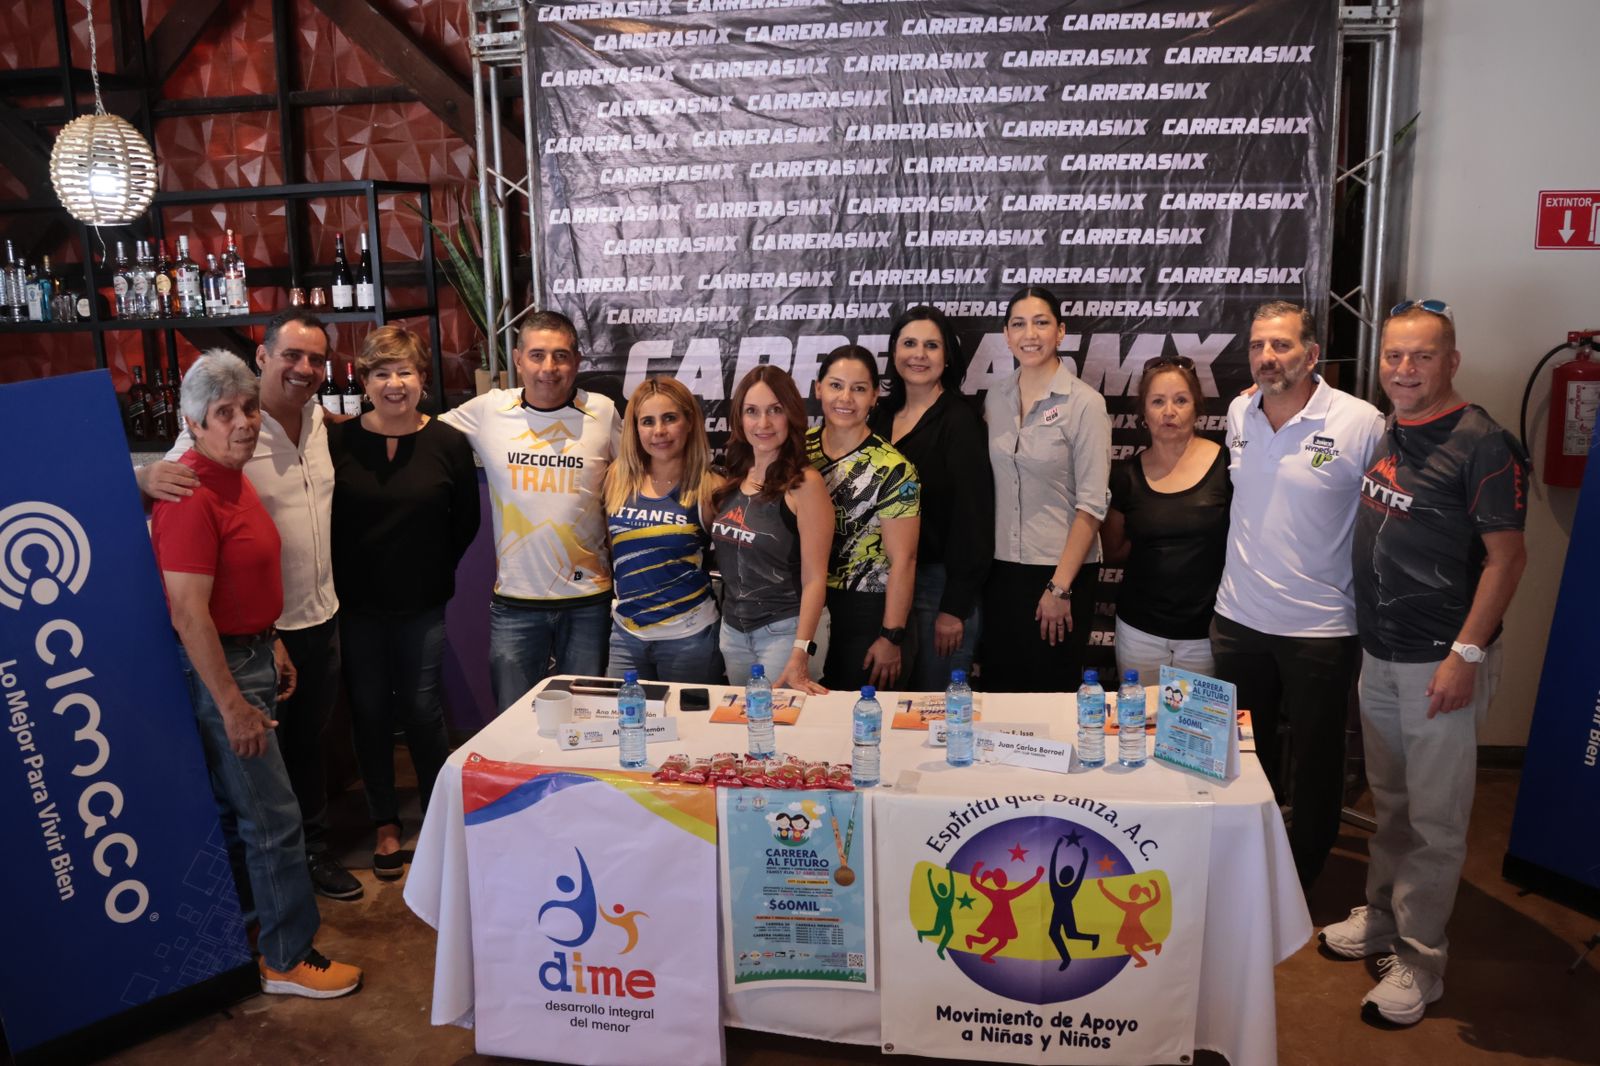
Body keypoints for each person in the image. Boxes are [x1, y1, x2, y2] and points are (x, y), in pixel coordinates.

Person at [1319, 300, 1528, 1025]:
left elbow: (1507, 560)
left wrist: (1465, 654)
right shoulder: (1392, 428)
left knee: (1436, 823)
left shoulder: (1483, 444)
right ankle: (1383, 918)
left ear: (1452, 361)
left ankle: (1420, 959)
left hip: (1440, 662)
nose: (1404, 369)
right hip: (1380, 651)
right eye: (1394, 356)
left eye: (1422, 356)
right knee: (1393, 806)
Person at [150, 350, 362, 998]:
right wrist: (233, 703)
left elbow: (239, 582)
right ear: (193, 423)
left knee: (248, 814)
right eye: (224, 413)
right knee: (273, 819)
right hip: (225, 672)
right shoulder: (190, 494)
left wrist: (271, 642)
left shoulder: (231, 476)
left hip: (253, 653)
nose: (243, 422)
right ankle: (287, 956)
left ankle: (254, 931)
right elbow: (188, 614)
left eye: (247, 408)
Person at [1210, 300, 1386, 891]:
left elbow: (1387, 519)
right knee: (1242, 754)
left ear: (1312, 355)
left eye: (1281, 345)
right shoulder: (1240, 411)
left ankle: (1302, 876)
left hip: (1322, 627)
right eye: (1258, 345)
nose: (1267, 357)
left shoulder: (1360, 423)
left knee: (1316, 761)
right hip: (1239, 620)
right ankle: (1246, 866)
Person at [327, 325, 480, 880]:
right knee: (369, 711)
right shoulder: (337, 443)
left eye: (405, 371)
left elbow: (466, 523)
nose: (395, 384)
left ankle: (439, 820)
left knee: (421, 711)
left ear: (422, 379)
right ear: (365, 381)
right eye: (382, 373)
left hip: (422, 603)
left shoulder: (449, 444)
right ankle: (385, 822)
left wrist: (430, 570)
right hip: (356, 606)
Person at [438, 311, 620, 711]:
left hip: (588, 600)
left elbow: (635, 481)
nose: (548, 368)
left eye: (560, 356)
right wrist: (341, 427)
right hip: (516, 602)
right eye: (537, 355)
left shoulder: (603, 412)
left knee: (585, 717)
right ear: (518, 359)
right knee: (513, 719)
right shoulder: (488, 410)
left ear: (577, 361)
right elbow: (419, 432)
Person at [983, 287, 1112, 691]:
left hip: (1060, 574)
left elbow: (1092, 505)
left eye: (1041, 323)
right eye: (1018, 324)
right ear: (1006, 335)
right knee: (1001, 691)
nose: (1030, 334)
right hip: (1002, 571)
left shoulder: (1085, 404)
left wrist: (1059, 587)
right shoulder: (995, 397)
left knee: (1050, 694)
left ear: (1060, 332)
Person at [870, 306, 993, 690]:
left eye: (931, 345)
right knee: (885, 705)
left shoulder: (960, 420)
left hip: (937, 588)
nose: (919, 355)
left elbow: (974, 518)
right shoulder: (878, 416)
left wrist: (954, 608)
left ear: (948, 356)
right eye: (909, 343)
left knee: (933, 710)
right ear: (894, 351)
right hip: (879, 584)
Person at [1101, 355, 1232, 682]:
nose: (1169, 411)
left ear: (1197, 408)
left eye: (1180, 400)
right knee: (1140, 714)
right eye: (1158, 401)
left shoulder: (1227, 467)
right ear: (1144, 413)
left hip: (1205, 634)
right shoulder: (1126, 476)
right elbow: (1113, 550)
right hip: (1140, 632)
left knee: (1200, 718)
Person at [708, 365, 831, 694]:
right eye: (752, 411)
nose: (763, 424)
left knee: (782, 724)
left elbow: (815, 578)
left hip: (785, 634)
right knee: (748, 722)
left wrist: (800, 651)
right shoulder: (733, 476)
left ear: (791, 414)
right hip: (733, 634)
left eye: (775, 410)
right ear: (739, 418)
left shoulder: (805, 484)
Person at [807, 345, 921, 690]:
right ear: (818, 389)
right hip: (802, 605)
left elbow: (904, 560)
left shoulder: (894, 468)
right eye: (836, 385)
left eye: (858, 389)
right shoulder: (796, 450)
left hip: (866, 611)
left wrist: (891, 636)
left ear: (874, 396)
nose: (845, 398)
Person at [601, 376, 720, 682]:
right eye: (648, 421)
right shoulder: (617, 478)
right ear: (635, 428)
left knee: (687, 716)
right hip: (626, 636)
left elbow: (733, 565)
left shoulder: (709, 488)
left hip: (689, 638)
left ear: (689, 422)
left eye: (669, 418)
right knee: (624, 713)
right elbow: (614, 551)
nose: (659, 431)